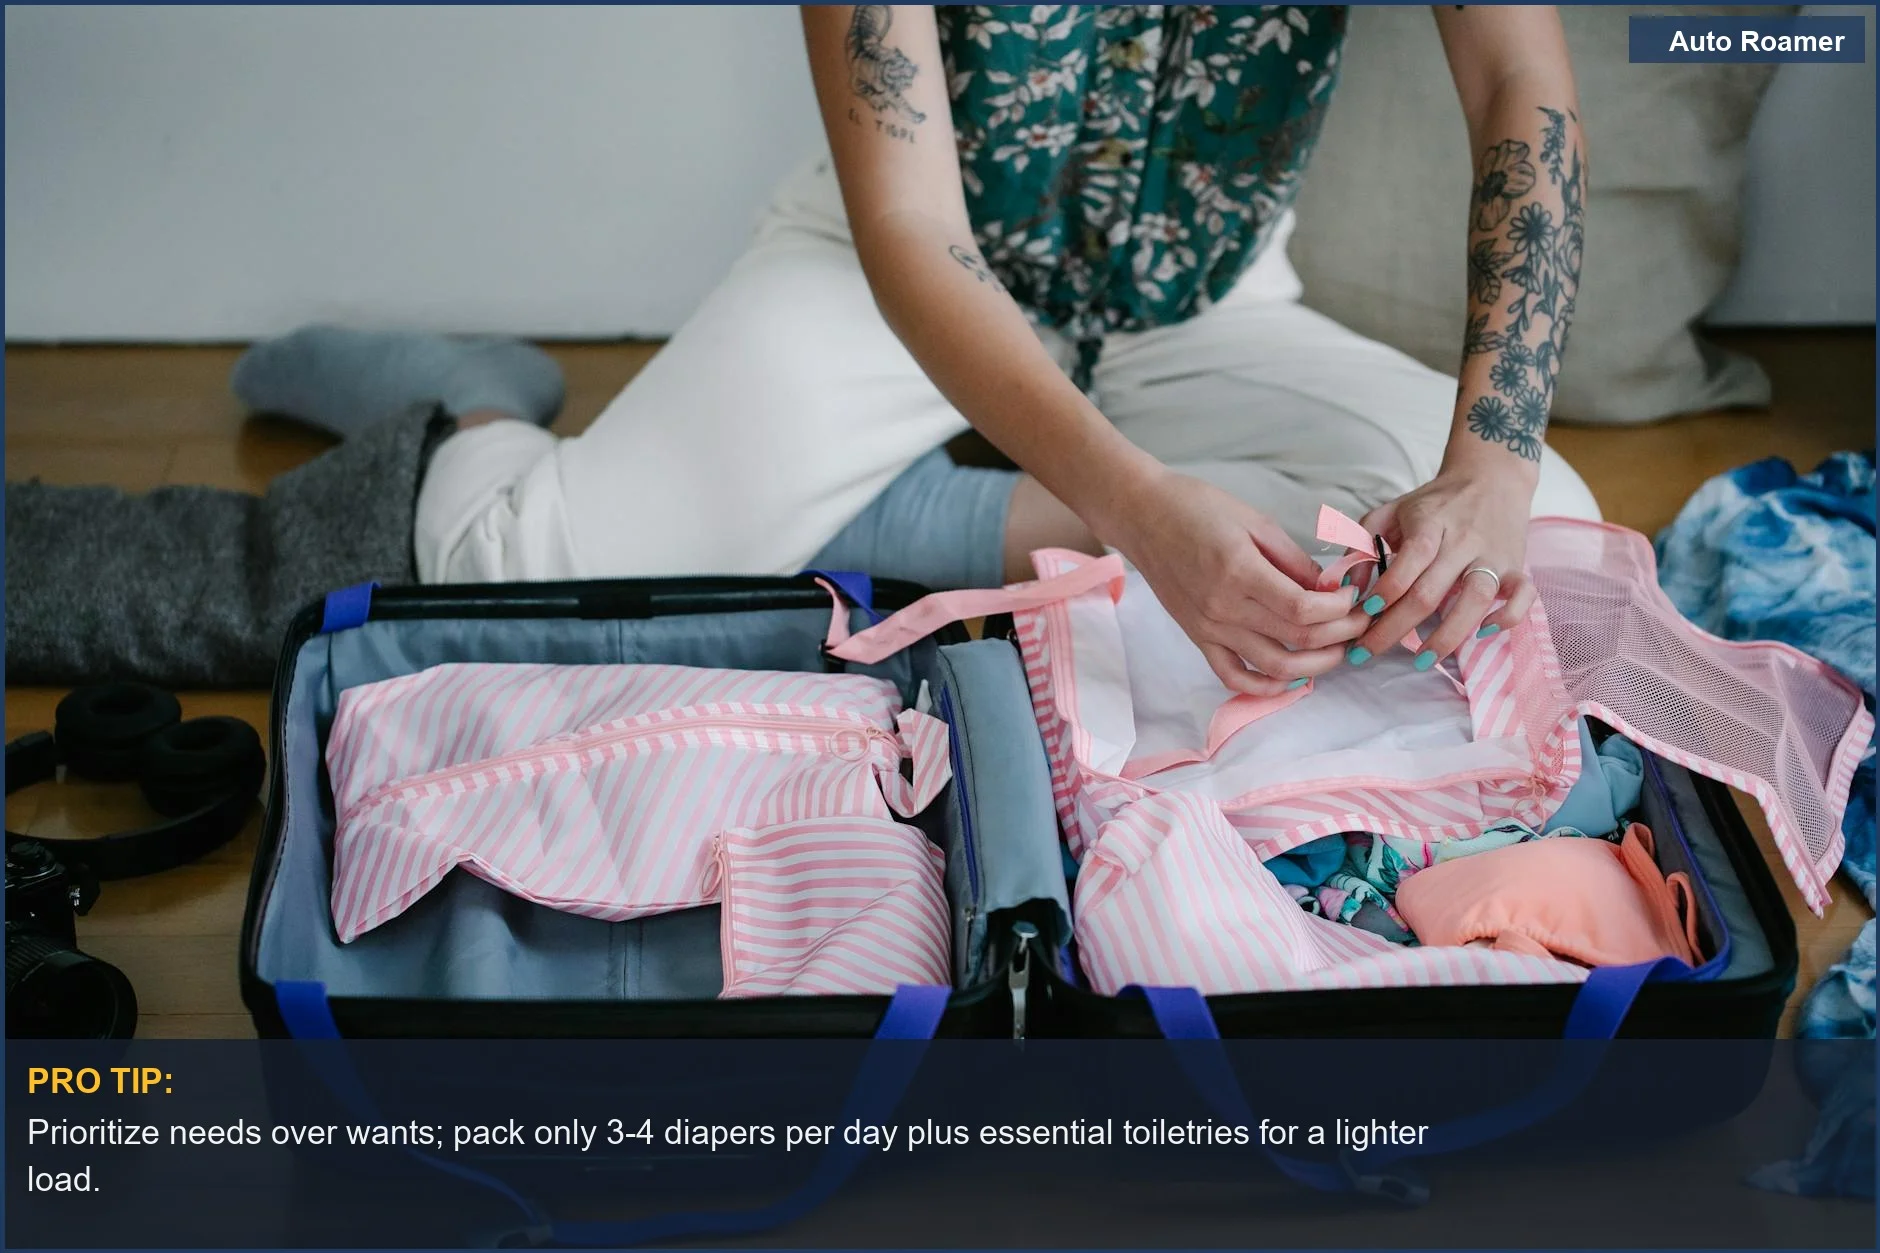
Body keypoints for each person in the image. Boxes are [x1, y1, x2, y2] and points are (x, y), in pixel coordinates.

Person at [9, 5, 1598, 695]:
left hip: (1207, 302)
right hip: (889, 278)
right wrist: (1132, 509)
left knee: (1557, 542)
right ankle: (486, 398)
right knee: (508, 577)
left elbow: (1520, 73)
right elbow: (911, 229)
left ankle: (892, 514)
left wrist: (1492, 463)